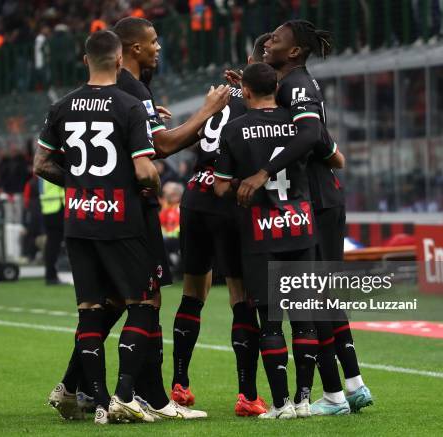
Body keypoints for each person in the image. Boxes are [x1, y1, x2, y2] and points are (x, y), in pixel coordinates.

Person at [229, 19, 373, 413]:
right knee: (318, 297)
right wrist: (332, 152)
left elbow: (310, 135)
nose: (268, 43)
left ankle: (338, 394)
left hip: (317, 202)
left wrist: (262, 172)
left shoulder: (296, 85)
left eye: (275, 39)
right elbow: (317, 138)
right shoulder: (292, 85)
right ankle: (350, 386)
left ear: (293, 51)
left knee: (315, 300)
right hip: (310, 198)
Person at [35, 30, 161, 424]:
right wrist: (147, 183)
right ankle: (125, 394)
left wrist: (81, 186)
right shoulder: (129, 105)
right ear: (120, 61)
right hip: (120, 222)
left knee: (90, 310)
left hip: (79, 222)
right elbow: (145, 170)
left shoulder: (61, 106)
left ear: (85, 61)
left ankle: (101, 402)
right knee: (142, 304)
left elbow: (41, 164)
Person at [214, 62, 349, 419]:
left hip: (261, 232)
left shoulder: (235, 128)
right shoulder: (300, 123)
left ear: (245, 90)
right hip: (301, 227)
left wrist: (244, 187)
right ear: (277, 86)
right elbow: (335, 157)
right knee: (304, 317)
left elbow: (221, 186)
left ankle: (280, 404)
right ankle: (304, 400)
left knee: (270, 321)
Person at [112, 16, 228, 417]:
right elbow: (162, 147)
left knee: (107, 304)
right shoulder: (132, 86)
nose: (159, 47)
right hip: (132, 209)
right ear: (134, 48)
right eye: (153, 41)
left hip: (100, 211)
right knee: (147, 298)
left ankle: (79, 388)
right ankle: (149, 398)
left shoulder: (117, 88)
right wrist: (207, 112)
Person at [171, 33, 271, 416]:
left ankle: (179, 385)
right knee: (240, 296)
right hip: (229, 199)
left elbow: (201, 138)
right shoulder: (263, 105)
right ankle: (247, 395)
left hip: (195, 196)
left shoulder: (222, 96)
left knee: (193, 293)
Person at [38, 177, 64, 285]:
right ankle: (51, 275)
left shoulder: (42, 165)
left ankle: (50, 274)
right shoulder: (53, 164)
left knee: (52, 244)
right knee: (54, 244)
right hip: (58, 206)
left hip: (48, 208)